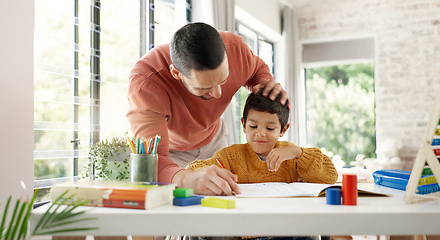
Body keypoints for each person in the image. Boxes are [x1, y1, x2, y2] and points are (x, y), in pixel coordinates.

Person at [127, 22, 290, 195]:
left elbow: (256, 70)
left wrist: (264, 83)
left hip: (215, 138)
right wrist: (186, 179)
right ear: (176, 73)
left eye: (223, 80)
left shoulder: (235, 50)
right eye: (204, 88)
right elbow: (151, 160)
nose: (218, 93)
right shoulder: (146, 84)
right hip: (173, 153)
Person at [187, 88, 338, 185]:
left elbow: (330, 176)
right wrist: (215, 172)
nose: (260, 133)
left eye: (270, 128)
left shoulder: (292, 156)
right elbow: (193, 169)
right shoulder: (231, 156)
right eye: (253, 126)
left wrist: (298, 152)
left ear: (283, 129)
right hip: (250, 229)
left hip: (288, 228)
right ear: (244, 125)